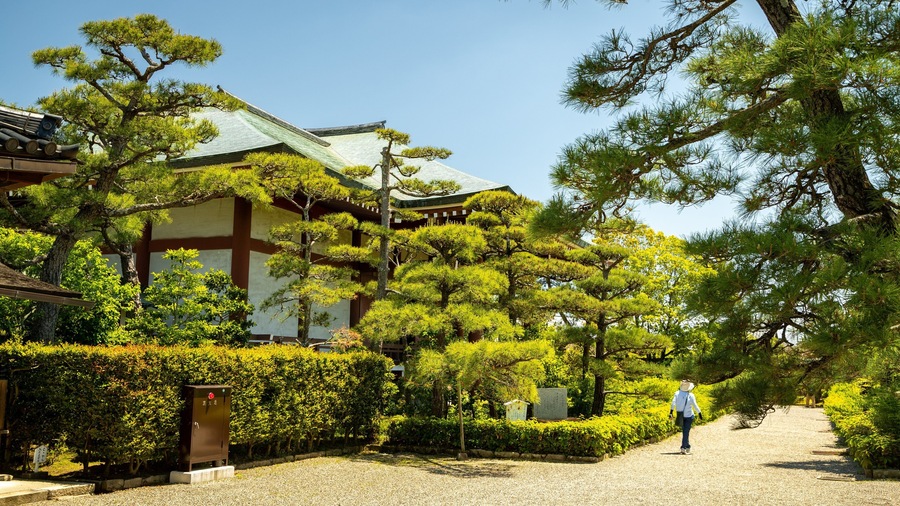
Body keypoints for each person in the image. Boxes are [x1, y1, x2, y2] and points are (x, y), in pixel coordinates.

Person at [669, 379, 703, 454]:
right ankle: (684, 447)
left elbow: (673, 403)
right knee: (686, 431)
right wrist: (699, 413)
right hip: (689, 416)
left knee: (685, 431)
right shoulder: (691, 395)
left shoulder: (677, 393)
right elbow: (695, 405)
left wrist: (671, 412)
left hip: (680, 415)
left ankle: (687, 446)